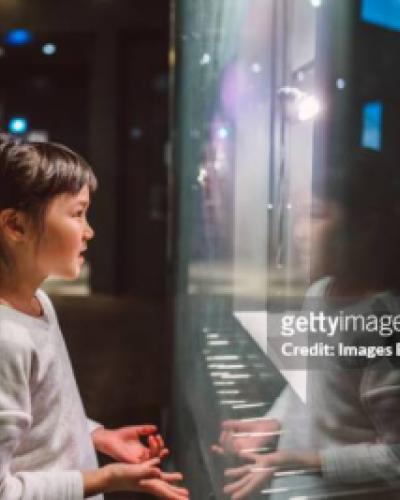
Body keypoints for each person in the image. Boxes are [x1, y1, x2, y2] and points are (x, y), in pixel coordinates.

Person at [0, 139, 189, 499]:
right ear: (16, 226)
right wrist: (104, 480)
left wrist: (95, 436)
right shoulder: (6, 339)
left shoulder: (38, 301)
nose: (89, 231)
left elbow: (41, 419)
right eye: (76, 213)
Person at [213, 154, 400, 499]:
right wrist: (273, 422)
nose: (298, 232)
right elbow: (310, 384)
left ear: (367, 225)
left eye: (314, 215)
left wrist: (302, 460)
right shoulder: (319, 292)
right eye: (296, 215)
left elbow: (395, 457)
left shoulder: (385, 326)